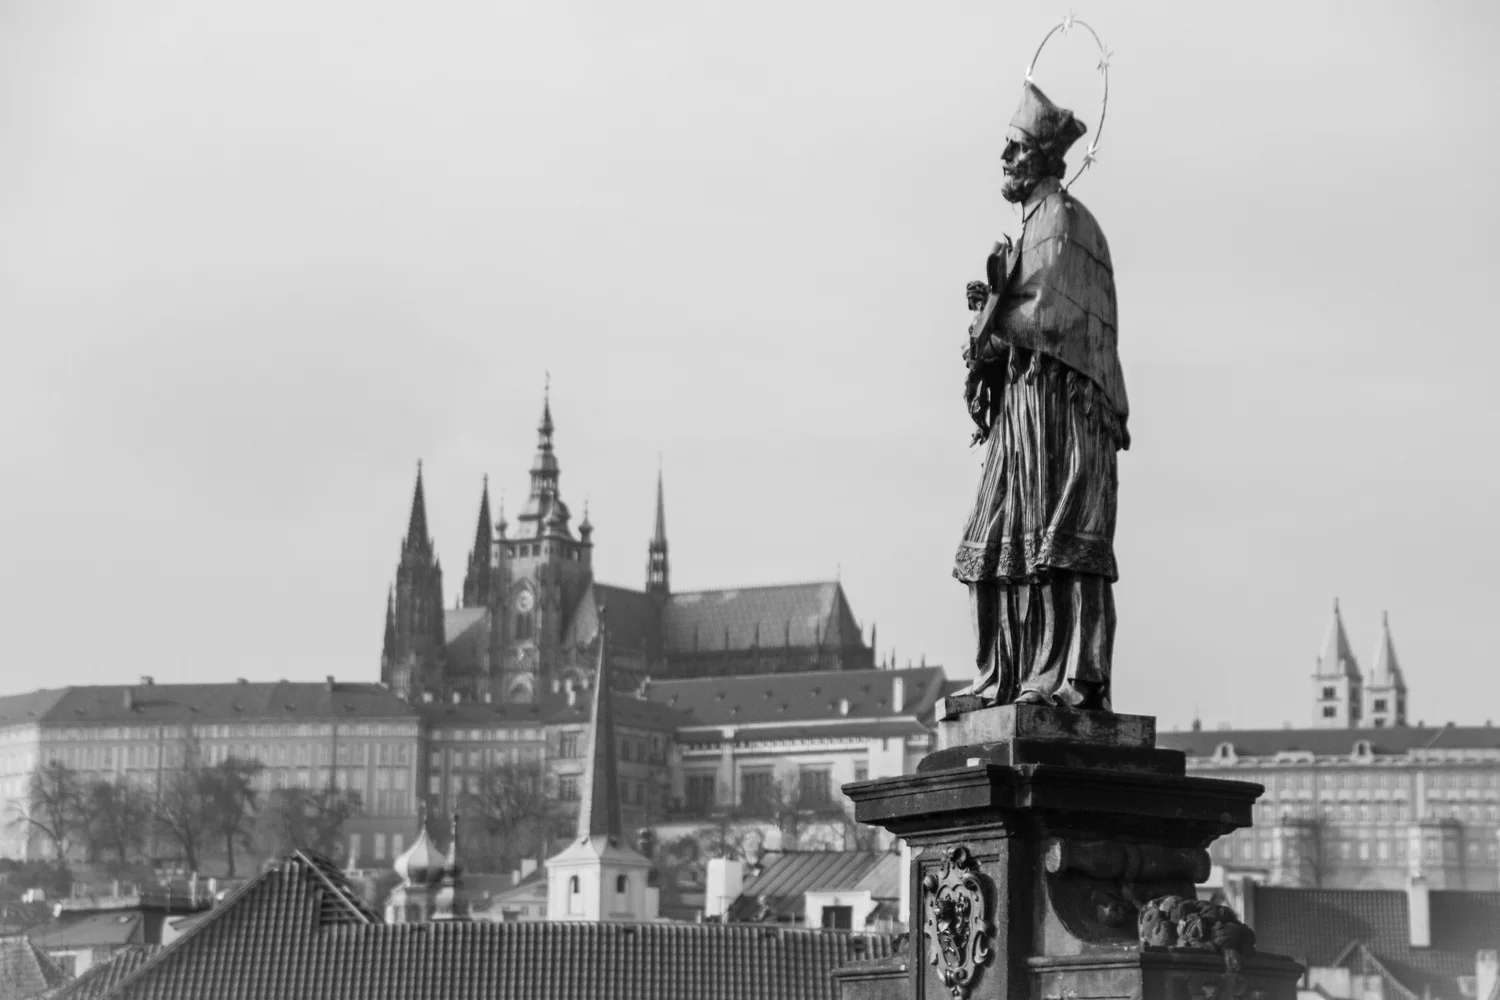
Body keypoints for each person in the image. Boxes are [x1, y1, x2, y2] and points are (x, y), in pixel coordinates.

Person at [952, 82, 1129, 712]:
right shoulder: (1031, 229)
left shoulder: (1063, 221)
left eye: (1017, 146)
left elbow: (1052, 321)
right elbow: (1015, 329)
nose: (1005, 157)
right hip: (1022, 410)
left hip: (1058, 412)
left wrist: (994, 316)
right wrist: (989, 321)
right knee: (990, 542)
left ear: (1045, 157)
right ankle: (1000, 676)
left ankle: (1059, 679)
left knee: (1058, 543)